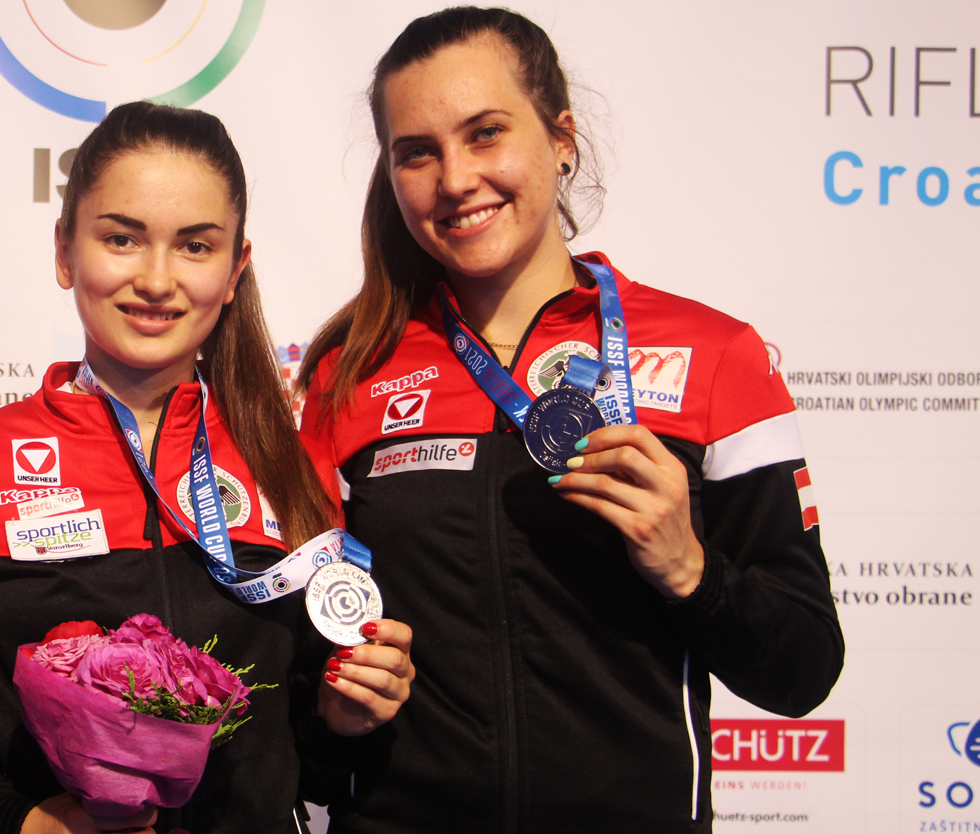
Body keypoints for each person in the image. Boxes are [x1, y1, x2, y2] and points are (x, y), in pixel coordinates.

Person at [295, 7, 843, 832]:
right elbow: (303, 700)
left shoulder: (714, 356)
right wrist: (337, 715)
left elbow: (801, 669)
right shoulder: (349, 375)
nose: (454, 180)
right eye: (418, 153)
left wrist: (691, 570)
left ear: (561, 137)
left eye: (485, 133)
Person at [0, 101, 414, 834]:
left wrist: (344, 718)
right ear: (65, 250)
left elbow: (302, 759)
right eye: (122, 238)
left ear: (235, 266)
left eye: (194, 246)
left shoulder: (292, 464)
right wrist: (24, 826)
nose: (157, 279)